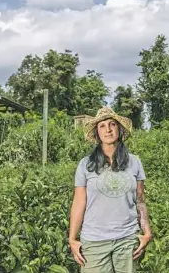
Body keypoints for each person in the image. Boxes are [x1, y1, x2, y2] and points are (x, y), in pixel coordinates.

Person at [68, 107, 152, 273]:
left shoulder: (135, 162)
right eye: (102, 126)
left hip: (127, 239)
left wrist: (147, 232)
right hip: (94, 240)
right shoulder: (86, 164)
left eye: (112, 124)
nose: (108, 129)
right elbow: (79, 202)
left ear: (119, 130)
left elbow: (140, 200)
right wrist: (72, 238)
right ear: (97, 133)